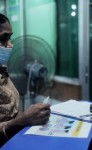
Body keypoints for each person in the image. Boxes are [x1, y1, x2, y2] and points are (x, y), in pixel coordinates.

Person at [0, 14, 51, 147]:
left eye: (10, 38)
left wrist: (28, 116)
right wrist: (21, 120)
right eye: (4, 38)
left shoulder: (2, 72)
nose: (10, 45)